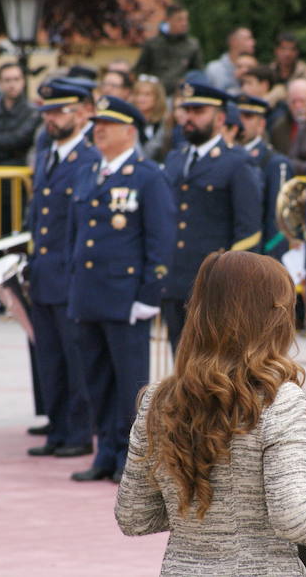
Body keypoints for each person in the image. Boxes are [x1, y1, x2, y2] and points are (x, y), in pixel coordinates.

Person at [115, 250, 306, 575]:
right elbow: (292, 518)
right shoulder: (278, 399)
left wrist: (196, 513)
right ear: (272, 316)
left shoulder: (158, 398)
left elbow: (134, 515)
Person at [68, 95, 176, 484]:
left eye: (108, 124)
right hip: (89, 294)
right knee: (96, 380)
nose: (98, 129)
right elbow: (74, 237)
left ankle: (131, 459)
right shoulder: (86, 172)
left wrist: (149, 295)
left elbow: (160, 239)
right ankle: (105, 453)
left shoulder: (148, 176)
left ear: (130, 131)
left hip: (126, 297)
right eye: (96, 123)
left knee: (130, 384)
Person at [25, 81, 97, 460]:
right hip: (44, 270)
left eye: (60, 111)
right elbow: (39, 213)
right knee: (49, 356)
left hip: (71, 273)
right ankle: (57, 426)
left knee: (75, 358)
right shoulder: (48, 153)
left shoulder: (88, 157)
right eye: (48, 112)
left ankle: (79, 431)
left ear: (83, 112)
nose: (52, 119)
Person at [161, 83, 262, 351]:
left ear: (219, 118)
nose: (190, 117)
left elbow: (249, 231)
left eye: (199, 110)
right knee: (180, 364)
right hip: (176, 280)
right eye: (187, 110)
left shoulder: (236, 162)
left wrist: (233, 283)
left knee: (216, 366)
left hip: (215, 285)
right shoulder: (174, 158)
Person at [236, 93, 293, 259]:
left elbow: (279, 224)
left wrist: (269, 264)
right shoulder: (224, 161)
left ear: (261, 124)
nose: (241, 122)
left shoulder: (274, 163)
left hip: (258, 257)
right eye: (237, 116)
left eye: (248, 117)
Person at [132, 4, 203, 95]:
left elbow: (198, 73)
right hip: (156, 95)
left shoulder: (192, 45)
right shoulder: (153, 44)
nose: (184, 23)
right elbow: (139, 70)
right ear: (168, 20)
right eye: (179, 19)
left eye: (186, 19)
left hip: (180, 94)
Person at [240, 65, 294, 153]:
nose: (244, 88)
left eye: (249, 83)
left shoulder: (278, 114)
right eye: (243, 84)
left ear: (264, 85)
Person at [204, 27, 256, 94]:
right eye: (247, 39)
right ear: (233, 42)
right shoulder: (213, 69)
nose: (253, 43)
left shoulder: (255, 68)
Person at [132, 76, 169, 161]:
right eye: (138, 94)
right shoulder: (128, 122)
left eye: (147, 94)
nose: (141, 99)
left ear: (157, 98)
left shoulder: (165, 123)